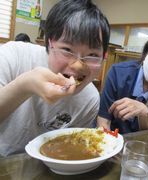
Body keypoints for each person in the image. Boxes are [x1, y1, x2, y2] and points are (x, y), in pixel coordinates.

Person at [0, 0, 110, 156]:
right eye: (67, 49)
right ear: (49, 42)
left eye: (92, 55)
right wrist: (25, 85)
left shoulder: (90, 99)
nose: (78, 66)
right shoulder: (14, 55)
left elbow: (72, 149)